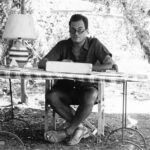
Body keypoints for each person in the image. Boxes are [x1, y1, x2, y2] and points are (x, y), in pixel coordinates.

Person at [38, 14, 118, 145]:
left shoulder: (95, 44)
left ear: (87, 30)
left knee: (91, 94)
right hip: (66, 89)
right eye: (73, 30)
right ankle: (80, 127)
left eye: (80, 29)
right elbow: (42, 63)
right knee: (52, 96)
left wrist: (87, 68)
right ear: (69, 30)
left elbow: (110, 64)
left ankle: (67, 132)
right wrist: (62, 63)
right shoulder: (62, 45)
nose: (76, 33)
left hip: (87, 91)